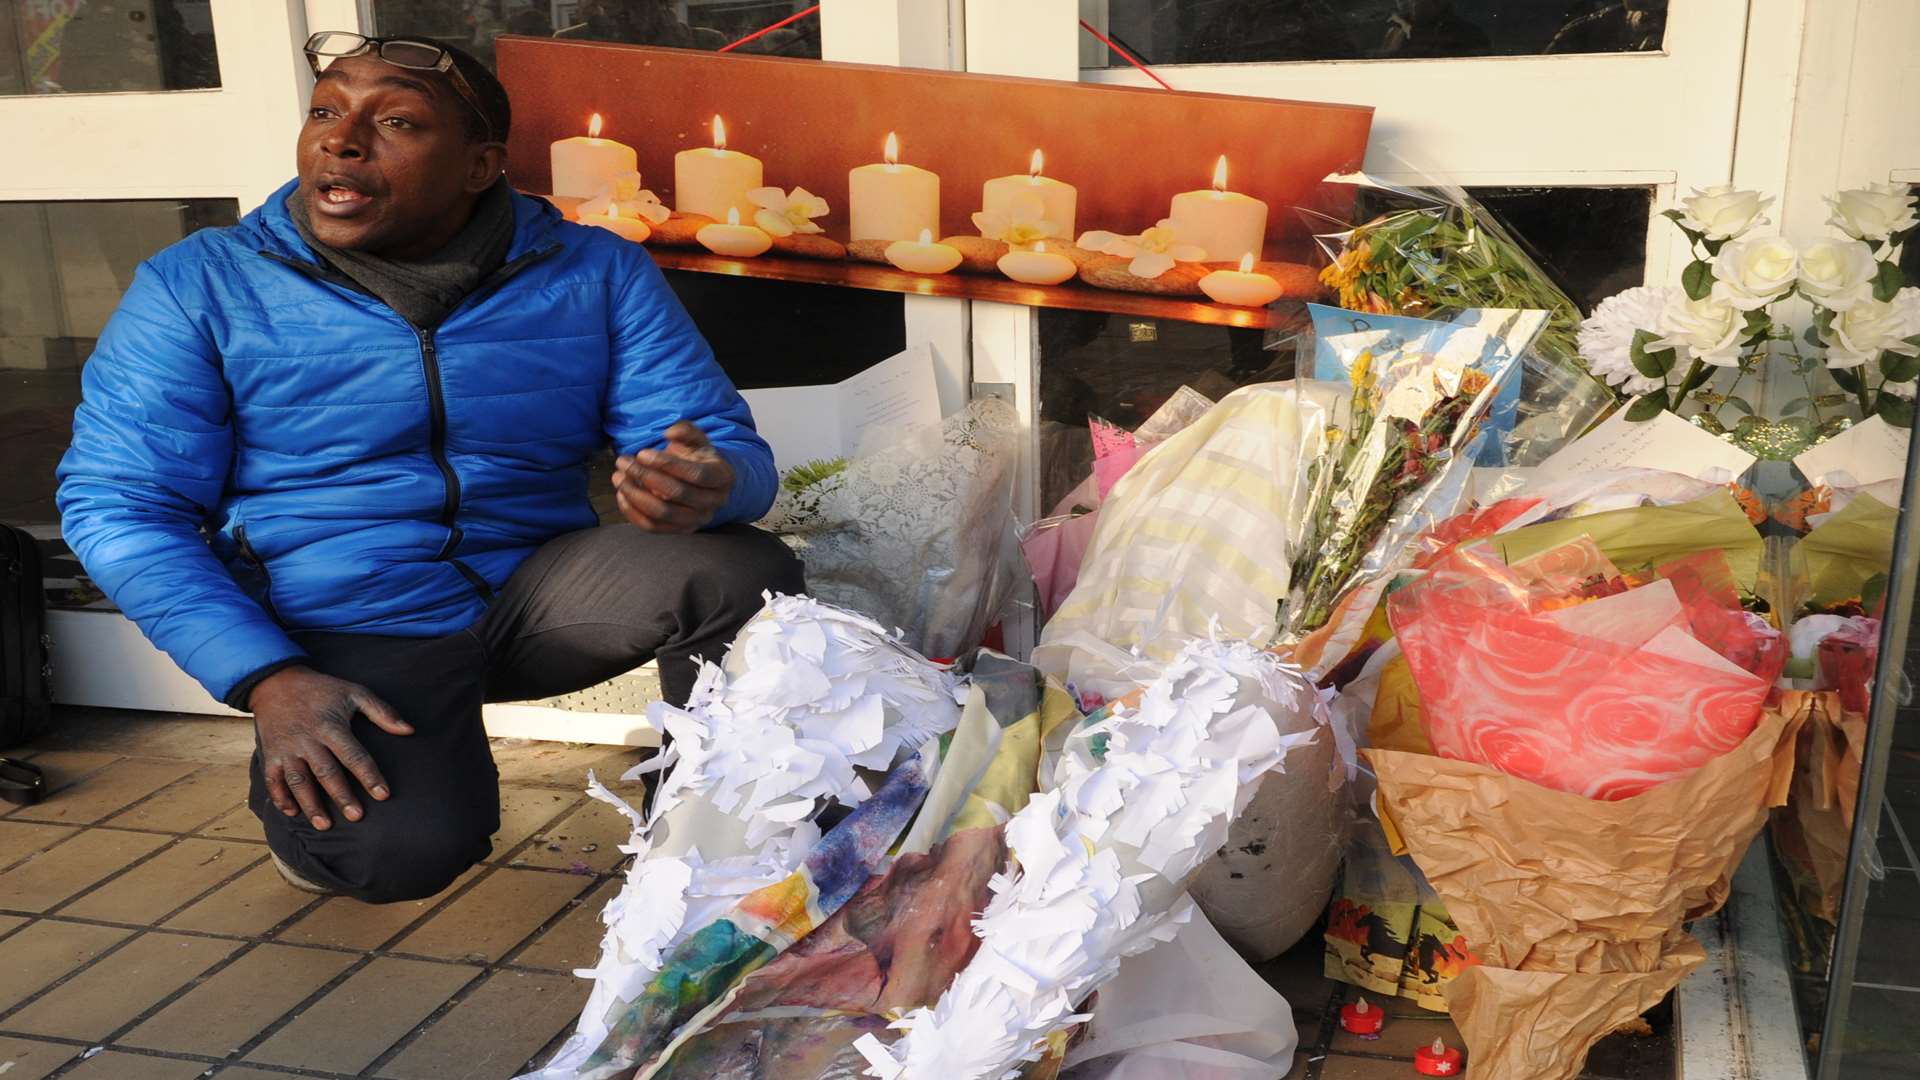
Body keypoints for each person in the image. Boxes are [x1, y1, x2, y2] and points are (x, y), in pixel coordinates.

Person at [55, 33, 804, 903]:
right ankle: (315, 817)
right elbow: (118, 506)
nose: (340, 140)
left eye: (396, 121)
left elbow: (716, 441)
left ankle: (714, 839)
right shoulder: (200, 286)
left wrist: (710, 483)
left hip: (534, 589)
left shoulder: (593, 269)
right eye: (326, 112)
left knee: (742, 568)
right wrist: (267, 677)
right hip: (341, 614)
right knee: (396, 854)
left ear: (480, 166)